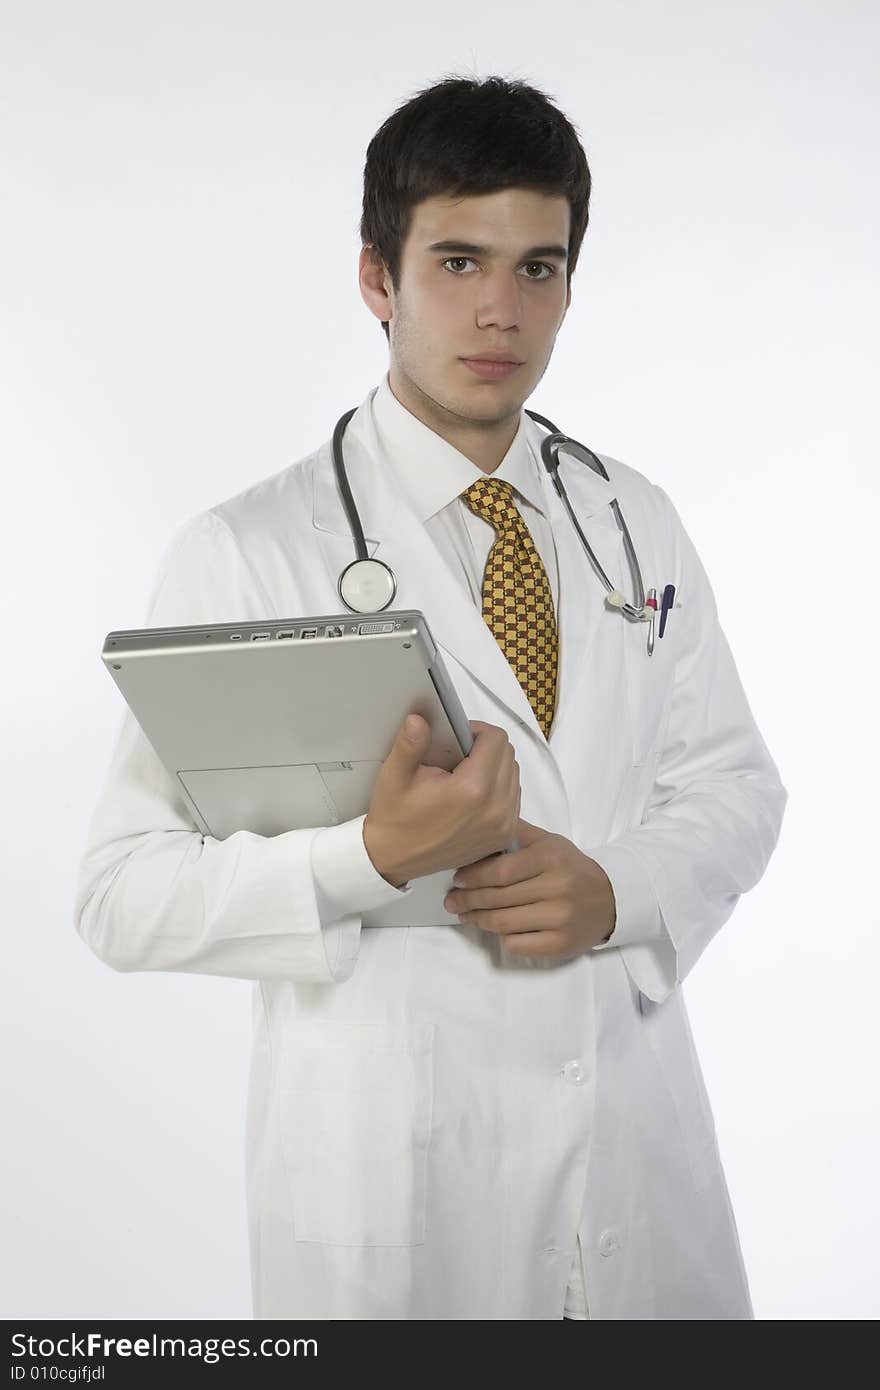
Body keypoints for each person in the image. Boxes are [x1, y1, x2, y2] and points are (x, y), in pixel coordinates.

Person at [74, 73, 788, 1320]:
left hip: (635, 1177)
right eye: (456, 260)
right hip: (399, 1201)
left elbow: (735, 786)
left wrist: (617, 890)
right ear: (376, 278)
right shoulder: (250, 548)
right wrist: (366, 858)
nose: (499, 310)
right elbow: (121, 894)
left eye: (538, 268)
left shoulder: (636, 521)